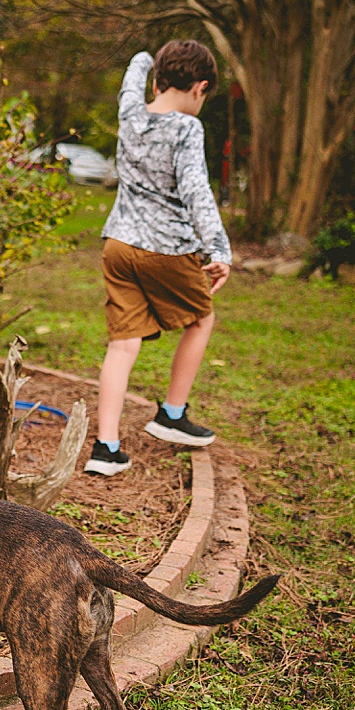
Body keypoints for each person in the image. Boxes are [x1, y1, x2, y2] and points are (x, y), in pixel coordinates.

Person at [84, 40, 232, 477]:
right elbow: (196, 193)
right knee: (200, 318)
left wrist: (150, 58)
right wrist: (218, 249)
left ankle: (105, 448)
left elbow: (132, 75)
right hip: (167, 249)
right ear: (199, 87)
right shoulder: (187, 129)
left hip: (119, 245)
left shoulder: (131, 112)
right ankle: (171, 413)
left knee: (122, 342)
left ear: (158, 80)